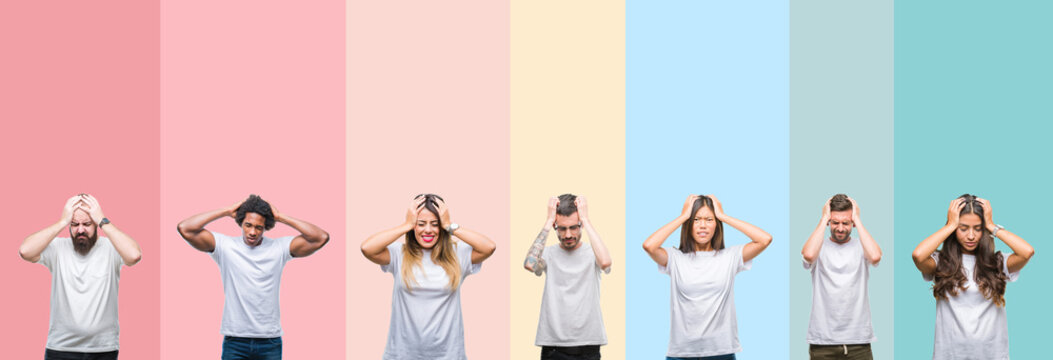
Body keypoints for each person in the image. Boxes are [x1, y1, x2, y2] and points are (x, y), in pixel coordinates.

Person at [176, 194, 330, 360]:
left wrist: (280, 217)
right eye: (248, 225)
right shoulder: (225, 246)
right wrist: (226, 211)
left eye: (259, 227)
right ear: (241, 223)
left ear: (266, 228)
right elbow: (185, 228)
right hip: (235, 341)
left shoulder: (279, 248)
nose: (252, 232)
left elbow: (320, 237)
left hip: (269, 341)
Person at [361, 194, 497, 360]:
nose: (428, 230)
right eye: (421, 224)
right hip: (402, 354)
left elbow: (489, 247)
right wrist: (406, 225)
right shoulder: (399, 254)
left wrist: (449, 225)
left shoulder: (457, 254)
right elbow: (367, 248)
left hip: (448, 354)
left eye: (435, 224)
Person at [642, 195, 772, 360]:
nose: (702, 225)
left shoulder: (730, 256)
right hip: (681, 353)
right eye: (696, 219)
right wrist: (683, 217)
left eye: (709, 219)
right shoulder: (675, 258)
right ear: (688, 224)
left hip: (721, 352)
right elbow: (649, 246)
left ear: (717, 225)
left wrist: (724, 216)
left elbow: (765, 240)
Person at [20, 194, 142, 360]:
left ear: (96, 224)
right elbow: (25, 251)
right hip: (61, 348)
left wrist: (103, 220)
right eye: (75, 224)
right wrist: (62, 222)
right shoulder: (58, 248)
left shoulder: (111, 247)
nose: (81, 230)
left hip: (103, 349)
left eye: (87, 224)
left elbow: (134, 255)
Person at [912, 194, 1034, 360]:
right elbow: (918, 256)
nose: (971, 236)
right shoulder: (941, 262)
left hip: (992, 354)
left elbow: (1027, 252)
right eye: (963, 228)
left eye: (978, 228)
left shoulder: (997, 262)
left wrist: (992, 226)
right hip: (949, 355)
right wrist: (950, 225)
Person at [523, 194, 612, 360]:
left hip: (588, 344)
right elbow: (530, 264)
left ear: (581, 225)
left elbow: (606, 262)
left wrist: (585, 219)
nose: (568, 235)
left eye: (574, 227)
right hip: (553, 346)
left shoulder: (594, 253)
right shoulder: (548, 253)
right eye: (562, 228)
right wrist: (549, 222)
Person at [801, 194, 881, 359]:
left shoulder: (861, 246)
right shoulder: (818, 246)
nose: (840, 228)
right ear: (829, 221)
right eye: (835, 222)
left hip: (859, 341)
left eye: (846, 223)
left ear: (852, 222)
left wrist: (857, 219)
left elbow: (875, 257)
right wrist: (823, 218)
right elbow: (808, 255)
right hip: (822, 342)